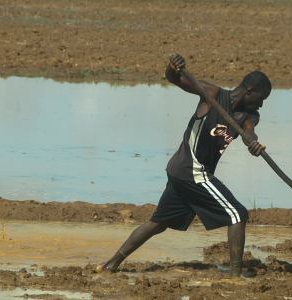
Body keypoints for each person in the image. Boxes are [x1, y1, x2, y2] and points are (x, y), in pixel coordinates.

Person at [96, 54, 272, 277]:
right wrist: (172, 68)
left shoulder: (249, 115)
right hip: (192, 171)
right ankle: (236, 276)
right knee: (237, 214)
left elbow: (249, 131)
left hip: (183, 173)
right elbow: (174, 78)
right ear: (249, 92)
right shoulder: (213, 94)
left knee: (158, 223)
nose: (262, 103)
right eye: (262, 97)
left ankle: (111, 264)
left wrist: (252, 143)